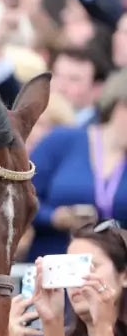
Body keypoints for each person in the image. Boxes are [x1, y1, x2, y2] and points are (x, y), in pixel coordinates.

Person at [29, 69, 127, 260]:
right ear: (120, 105)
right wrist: (55, 217)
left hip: (112, 274)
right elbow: (18, 197)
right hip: (53, 262)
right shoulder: (62, 140)